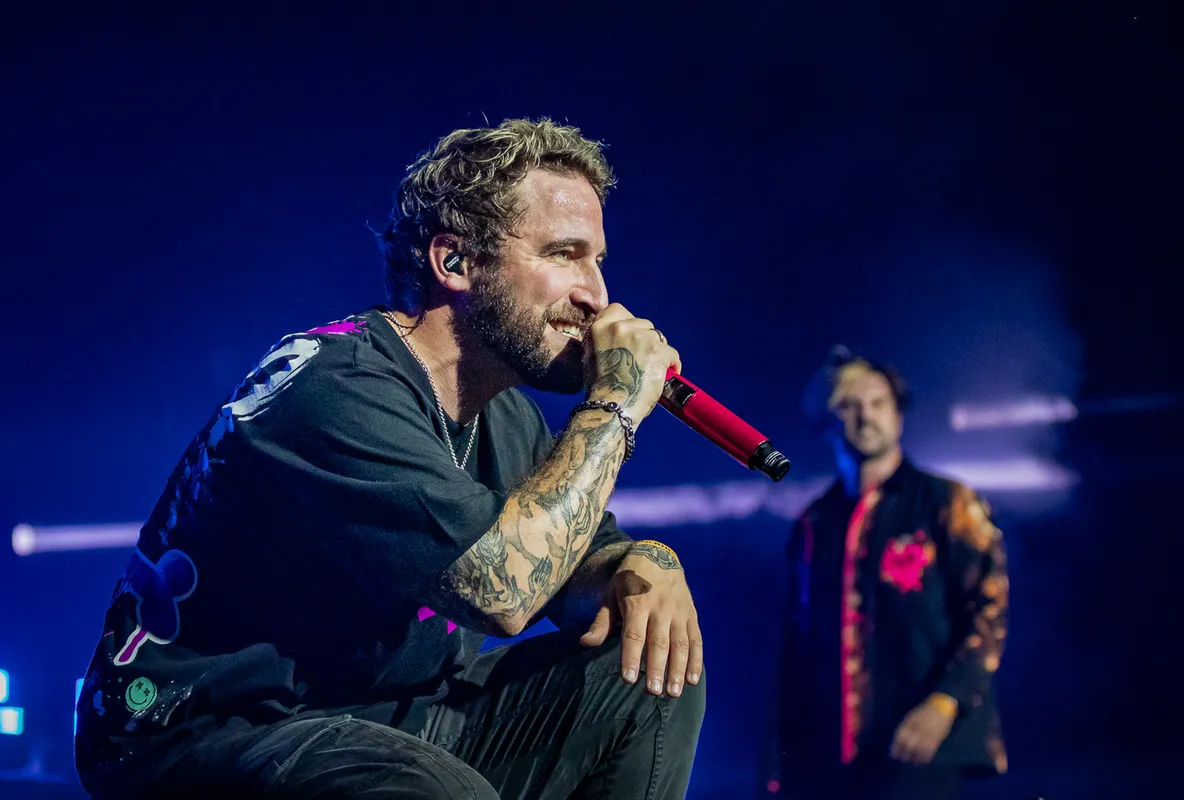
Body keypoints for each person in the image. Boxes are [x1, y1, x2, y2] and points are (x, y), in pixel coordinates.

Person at [74, 118, 705, 800]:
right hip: (209, 731)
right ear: (454, 262)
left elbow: (574, 562)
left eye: (598, 260)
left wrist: (646, 564)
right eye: (564, 254)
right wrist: (614, 406)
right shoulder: (334, 384)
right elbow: (503, 591)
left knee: (649, 670)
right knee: (437, 791)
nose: (597, 295)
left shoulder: (507, 418)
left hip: (389, 719)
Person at [773, 347, 1008, 800]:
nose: (866, 417)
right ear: (826, 420)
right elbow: (796, 644)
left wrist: (945, 701)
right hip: (828, 760)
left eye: (878, 403)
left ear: (898, 415)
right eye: (849, 405)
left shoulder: (948, 503)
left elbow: (989, 612)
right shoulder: (814, 522)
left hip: (920, 746)